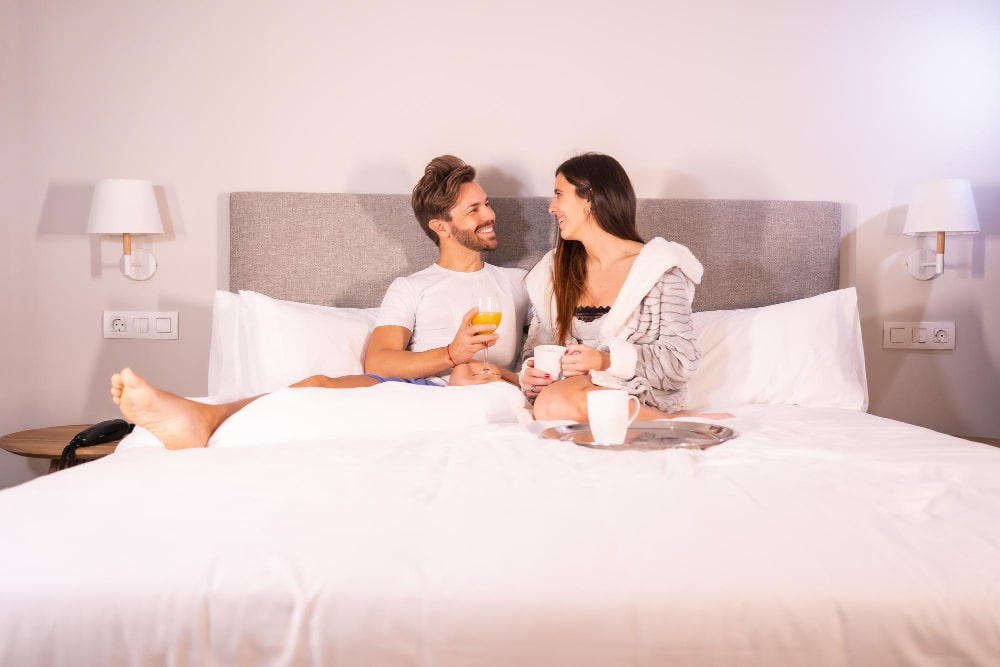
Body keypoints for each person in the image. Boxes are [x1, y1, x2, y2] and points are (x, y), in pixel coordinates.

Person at [111, 155, 529, 449]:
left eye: (486, 204)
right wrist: (452, 354)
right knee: (317, 386)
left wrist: (501, 375)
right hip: (414, 390)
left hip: (479, 393)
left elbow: (544, 359)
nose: (489, 214)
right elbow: (380, 362)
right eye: (474, 209)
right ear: (441, 226)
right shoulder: (411, 287)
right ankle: (204, 418)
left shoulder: (519, 284)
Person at [519, 152, 708, 422]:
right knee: (550, 405)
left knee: (552, 405)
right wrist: (531, 374)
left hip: (633, 395)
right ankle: (668, 425)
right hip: (568, 394)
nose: (552, 207)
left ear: (589, 199)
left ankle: (664, 422)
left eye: (559, 194)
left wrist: (605, 361)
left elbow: (681, 361)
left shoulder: (658, 268)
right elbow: (536, 349)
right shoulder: (551, 273)